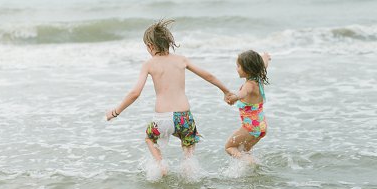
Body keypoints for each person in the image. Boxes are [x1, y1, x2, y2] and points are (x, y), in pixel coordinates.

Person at [105, 19, 232, 175]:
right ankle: (188, 170)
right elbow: (209, 75)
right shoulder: (181, 60)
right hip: (184, 117)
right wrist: (226, 91)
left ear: (151, 46)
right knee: (188, 148)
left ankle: (161, 165)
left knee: (150, 138)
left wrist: (115, 112)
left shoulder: (149, 64)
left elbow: (135, 93)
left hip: (162, 118)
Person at [223, 50, 271, 163]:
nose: (237, 68)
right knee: (244, 151)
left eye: (239, 66)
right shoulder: (258, 78)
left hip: (250, 128)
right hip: (261, 126)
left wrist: (235, 97)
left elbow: (242, 93)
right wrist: (265, 58)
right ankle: (249, 172)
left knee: (229, 147)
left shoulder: (249, 85)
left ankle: (251, 163)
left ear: (248, 69)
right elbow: (263, 64)